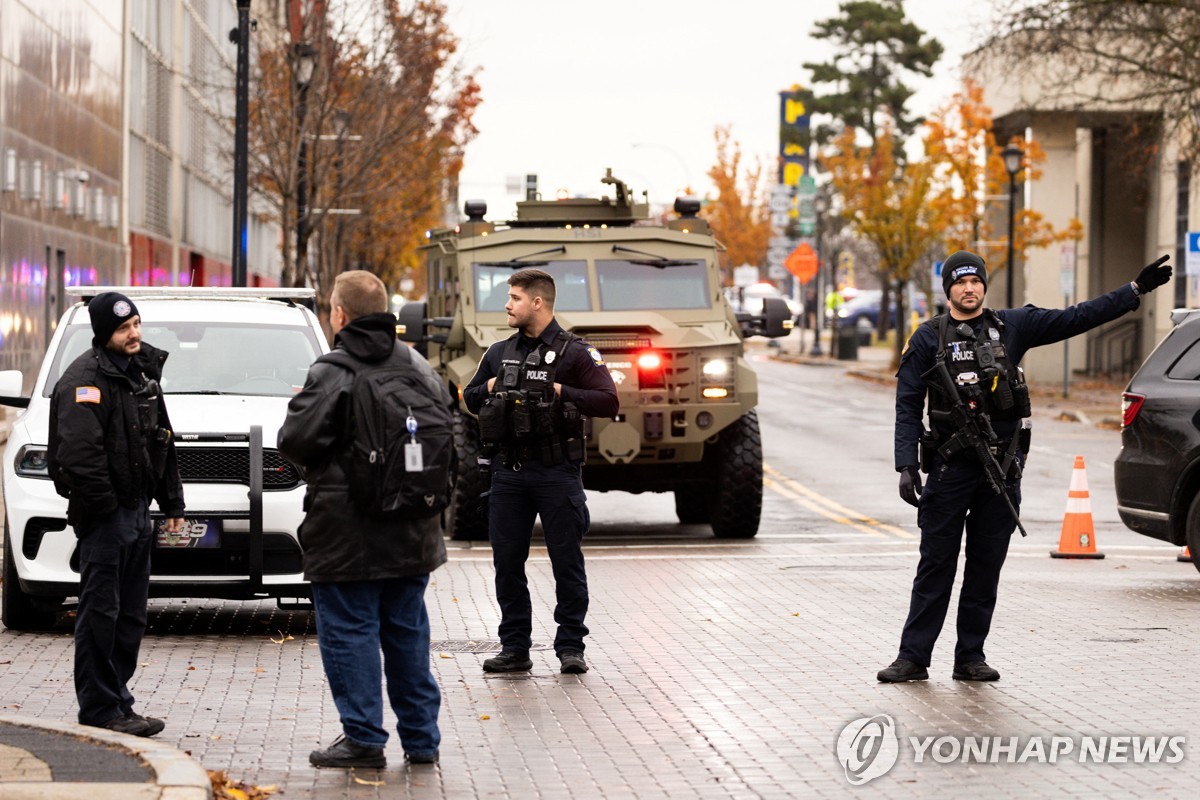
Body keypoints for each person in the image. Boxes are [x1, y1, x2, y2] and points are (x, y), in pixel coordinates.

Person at [878, 251, 1173, 683]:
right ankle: (913, 657)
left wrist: (1134, 291)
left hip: (1000, 470)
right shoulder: (928, 338)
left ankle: (970, 657)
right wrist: (906, 465)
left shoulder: (1011, 326)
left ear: (983, 285)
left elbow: (1076, 318)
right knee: (935, 565)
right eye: (960, 283)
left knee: (985, 566)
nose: (969, 288)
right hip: (949, 468)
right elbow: (907, 406)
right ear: (948, 290)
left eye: (975, 281)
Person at [278, 271, 449, 768]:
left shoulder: (333, 371)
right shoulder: (418, 365)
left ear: (339, 314)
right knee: (407, 633)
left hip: (346, 533)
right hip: (414, 531)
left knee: (349, 633)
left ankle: (363, 740)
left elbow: (296, 441)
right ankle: (422, 740)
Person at [462, 268, 619, 675]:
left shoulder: (576, 353)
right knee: (507, 563)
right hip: (509, 474)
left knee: (566, 561)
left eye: (514, 297)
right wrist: (494, 387)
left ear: (537, 302)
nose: (507, 305)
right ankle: (515, 647)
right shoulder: (498, 352)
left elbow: (608, 401)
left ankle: (571, 646)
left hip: (556, 472)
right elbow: (470, 398)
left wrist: (562, 391)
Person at [47, 291, 185, 737]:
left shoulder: (141, 376)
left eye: (137, 325)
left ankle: (118, 702)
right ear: (105, 332)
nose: (135, 334)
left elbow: (163, 440)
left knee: (130, 616)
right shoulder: (83, 381)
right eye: (125, 328)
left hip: (137, 515)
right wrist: (108, 510)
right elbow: (78, 458)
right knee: (101, 615)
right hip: (107, 519)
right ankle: (100, 709)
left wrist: (173, 505)